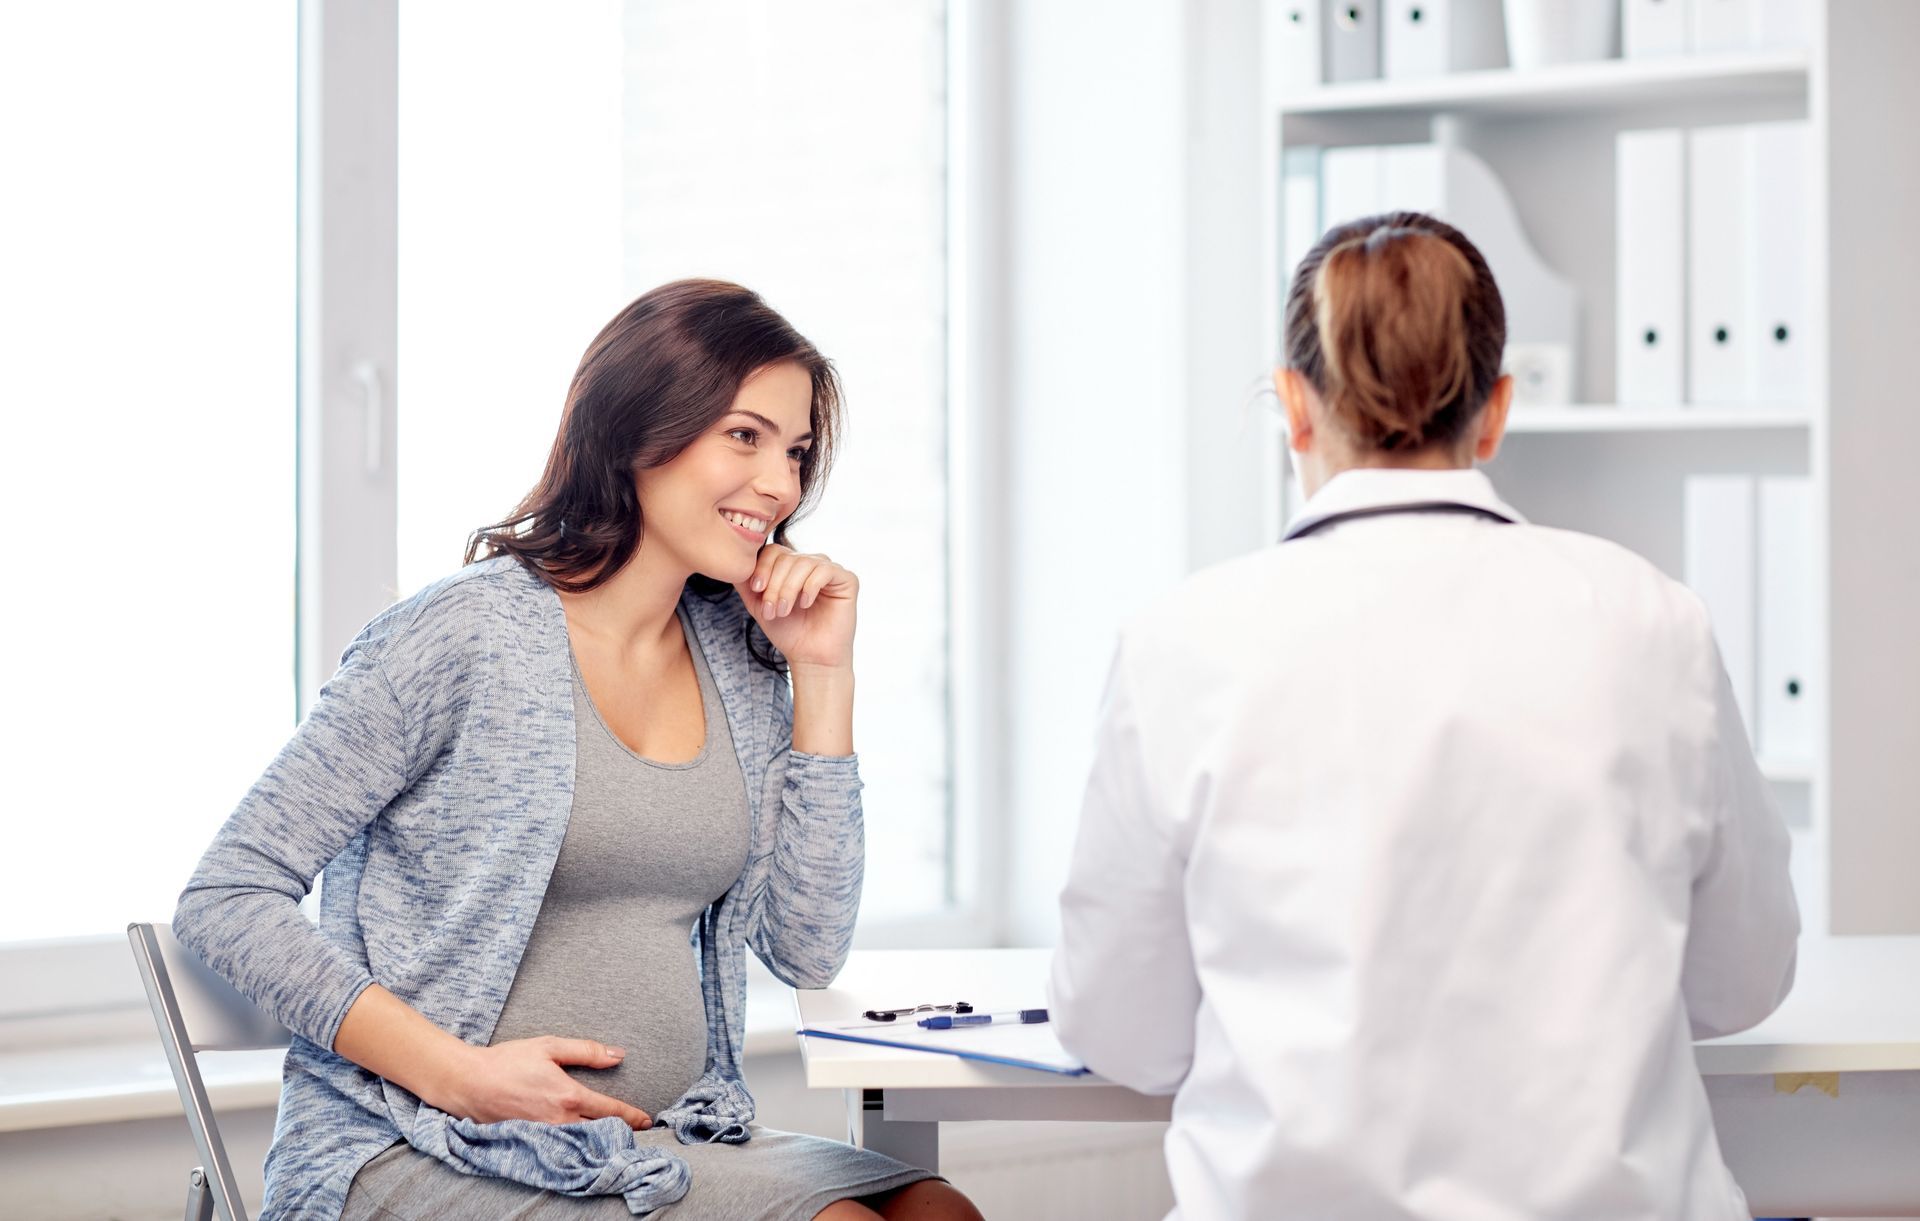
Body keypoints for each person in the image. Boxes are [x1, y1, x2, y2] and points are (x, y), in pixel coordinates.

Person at [174, 280, 983, 1221]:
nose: (781, 485)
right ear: (640, 430)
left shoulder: (738, 653)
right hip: (420, 1145)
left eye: (796, 451)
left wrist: (824, 675)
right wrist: (461, 1075)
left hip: (661, 1143)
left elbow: (806, 948)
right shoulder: (462, 637)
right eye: (745, 436)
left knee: (939, 1213)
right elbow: (226, 898)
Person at [1047, 213, 1799, 1220]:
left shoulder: (1182, 640)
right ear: (1494, 412)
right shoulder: (1652, 618)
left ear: (1293, 410)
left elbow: (1122, 1032)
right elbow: (1742, 982)